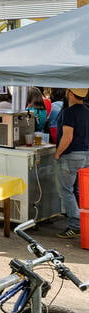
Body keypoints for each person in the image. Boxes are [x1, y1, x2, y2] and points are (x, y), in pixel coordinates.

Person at [54, 88, 89, 239]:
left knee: (65, 190)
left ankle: (75, 225)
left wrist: (57, 154)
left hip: (70, 155)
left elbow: (67, 137)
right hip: (85, 155)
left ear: (69, 93)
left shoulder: (69, 112)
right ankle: (82, 223)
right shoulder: (87, 111)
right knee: (77, 190)